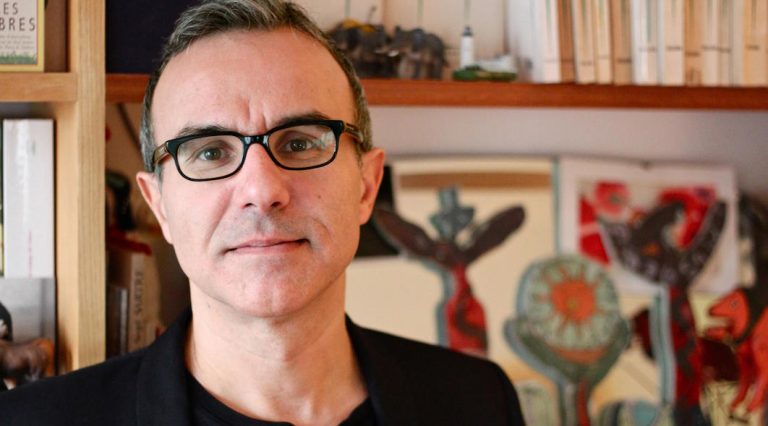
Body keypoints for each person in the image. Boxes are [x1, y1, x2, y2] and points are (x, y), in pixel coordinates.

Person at [0, 1, 525, 424]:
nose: (262, 190)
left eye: (300, 143)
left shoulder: (479, 403)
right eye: (210, 152)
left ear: (366, 186)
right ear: (160, 205)